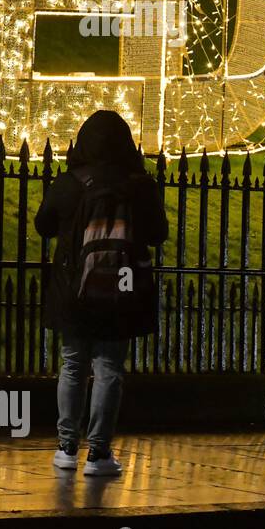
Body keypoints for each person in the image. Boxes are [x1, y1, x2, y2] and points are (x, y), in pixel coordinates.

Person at [36, 110, 168, 476]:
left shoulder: (70, 183)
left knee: (73, 364)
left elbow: (42, 224)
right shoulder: (140, 185)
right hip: (121, 288)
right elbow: (158, 234)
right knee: (109, 367)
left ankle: (66, 448)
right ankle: (99, 453)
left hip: (75, 288)